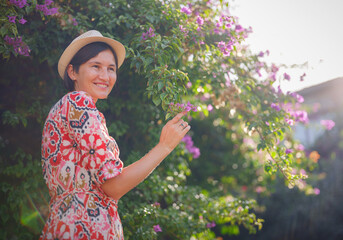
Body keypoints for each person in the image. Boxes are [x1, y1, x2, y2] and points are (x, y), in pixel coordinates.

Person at [40, 30, 190, 239]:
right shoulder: (78, 103)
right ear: (73, 72)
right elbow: (114, 186)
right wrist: (164, 147)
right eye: (95, 66)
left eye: (111, 69)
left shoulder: (70, 108)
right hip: (82, 228)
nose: (105, 76)